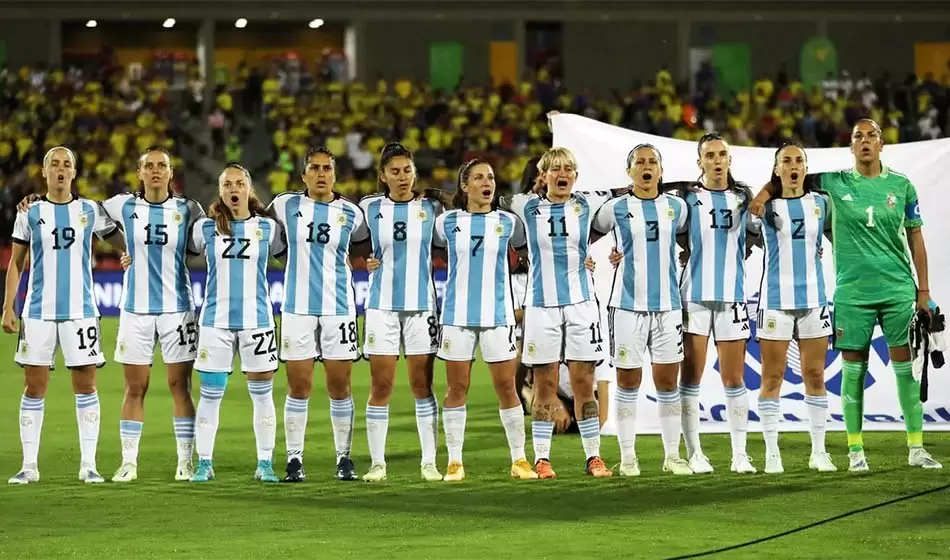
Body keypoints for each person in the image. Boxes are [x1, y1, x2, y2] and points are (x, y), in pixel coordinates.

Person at [750, 119, 942, 471]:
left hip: (898, 289)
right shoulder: (832, 184)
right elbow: (788, 180)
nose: (866, 141)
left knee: (906, 370)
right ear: (851, 147)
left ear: (881, 144)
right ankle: (856, 453)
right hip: (852, 292)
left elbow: (916, 238)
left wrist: (924, 291)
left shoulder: (902, 186)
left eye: (872, 136)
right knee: (852, 372)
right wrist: (762, 196)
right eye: (859, 137)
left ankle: (916, 448)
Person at [499, 146, 619, 479]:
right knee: (545, 384)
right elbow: (487, 203)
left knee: (584, 383)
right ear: (544, 176)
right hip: (540, 306)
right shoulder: (526, 207)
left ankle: (593, 457)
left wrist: (618, 252)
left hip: (582, 305)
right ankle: (541, 459)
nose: (562, 173)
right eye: (554, 169)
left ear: (576, 176)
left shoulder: (588, 204)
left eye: (568, 168)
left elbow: (627, 206)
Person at [4, 146, 119, 484]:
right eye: (54, 164)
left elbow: (121, 242)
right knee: (34, 386)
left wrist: (131, 256)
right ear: (44, 171)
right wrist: (8, 307)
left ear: (74, 172)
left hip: (81, 312)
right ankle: (29, 466)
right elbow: (16, 264)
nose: (60, 169)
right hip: (37, 312)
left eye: (67, 164)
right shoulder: (30, 212)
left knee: (86, 385)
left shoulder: (89, 210)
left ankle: (89, 465)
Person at [100, 147, 205, 483]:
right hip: (135, 311)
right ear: (139, 172)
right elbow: (88, 213)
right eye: (150, 166)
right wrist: (124, 248)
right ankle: (129, 462)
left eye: (162, 165)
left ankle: (185, 461)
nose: (156, 171)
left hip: (177, 310)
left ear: (171, 173)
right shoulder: (121, 205)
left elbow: (204, 241)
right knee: (135, 388)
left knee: (180, 387)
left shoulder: (189, 208)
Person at [268, 147, 368, 482]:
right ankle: (294, 459)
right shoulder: (285, 205)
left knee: (340, 386)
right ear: (304, 175)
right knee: (299, 386)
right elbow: (264, 233)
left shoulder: (351, 213)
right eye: (315, 168)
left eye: (327, 168)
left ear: (335, 174)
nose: (321, 174)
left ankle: (344, 457)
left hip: (339, 309)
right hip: (297, 309)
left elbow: (368, 245)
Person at [592, 144, 692, 476]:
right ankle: (628, 456)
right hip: (626, 306)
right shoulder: (615, 208)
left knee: (667, 382)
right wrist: (585, 256)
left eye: (652, 162)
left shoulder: (677, 207)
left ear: (661, 171)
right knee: (628, 381)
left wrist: (687, 256)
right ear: (629, 171)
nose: (646, 167)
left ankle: (672, 456)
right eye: (640, 162)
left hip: (667, 307)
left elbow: (691, 241)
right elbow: (583, 236)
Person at [433, 159, 536, 481]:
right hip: (457, 316)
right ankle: (454, 462)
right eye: (478, 177)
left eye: (490, 176)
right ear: (465, 186)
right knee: (457, 387)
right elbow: (426, 250)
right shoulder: (447, 223)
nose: (486, 182)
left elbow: (524, 255)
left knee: (507, 386)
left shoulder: (509, 222)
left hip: (498, 315)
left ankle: (519, 460)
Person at [187, 164, 287, 483]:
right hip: (215, 322)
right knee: (210, 394)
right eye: (227, 184)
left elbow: (292, 260)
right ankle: (204, 463)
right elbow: (176, 255)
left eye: (239, 183)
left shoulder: (268, 229)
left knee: (262, 395)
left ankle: (265, 463)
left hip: (257, 321)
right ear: (221, 191)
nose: (234, 189)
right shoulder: (206, 229)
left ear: (248, 189)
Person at [672, 132, 758, 475]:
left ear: (729, 160)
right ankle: (695, 453)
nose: (717, 160)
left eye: (722, 154)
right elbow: (665, 232)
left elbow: (760, 232)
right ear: (700, 163)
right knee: (690, 377)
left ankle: (740, 454)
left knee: (734, 379)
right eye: (710, 155)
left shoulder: (743, 197)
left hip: (733, 296)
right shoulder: (687, 199)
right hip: (693, 296)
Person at [748, 142, 836, 474]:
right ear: (776, 170)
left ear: (806, 167)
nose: (793, 165)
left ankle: (819, 451)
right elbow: (739, 240)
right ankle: (772, 453)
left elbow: (835, 239)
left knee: (815, 374)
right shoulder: (764, 209)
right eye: (786, 161)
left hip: (814, 300)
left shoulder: (822, 203)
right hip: (775, 302)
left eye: (799, 160)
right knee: (773, 377)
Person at [358, 143, 444, 482]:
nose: (402, 177)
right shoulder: (369, 208)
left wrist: (438, 192)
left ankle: (429, 462)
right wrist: (365, 260)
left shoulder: (431, 208)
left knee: (422, 385)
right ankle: (378, 463)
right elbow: (352, 240)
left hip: (422, 307)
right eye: (394, 171)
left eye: (407, 170)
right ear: (382, 176)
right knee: (381, 386)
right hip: (381, 307)